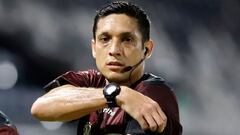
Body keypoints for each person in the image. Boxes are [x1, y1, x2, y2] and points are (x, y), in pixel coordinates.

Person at [31, 1, 182, 135]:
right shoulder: (92, 81)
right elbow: (40, 107)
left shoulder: (154, 94)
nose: (114, 50)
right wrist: (117, 94)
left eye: (127, 39)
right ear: (94, 48)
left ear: (147, 50)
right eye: (105, 39)